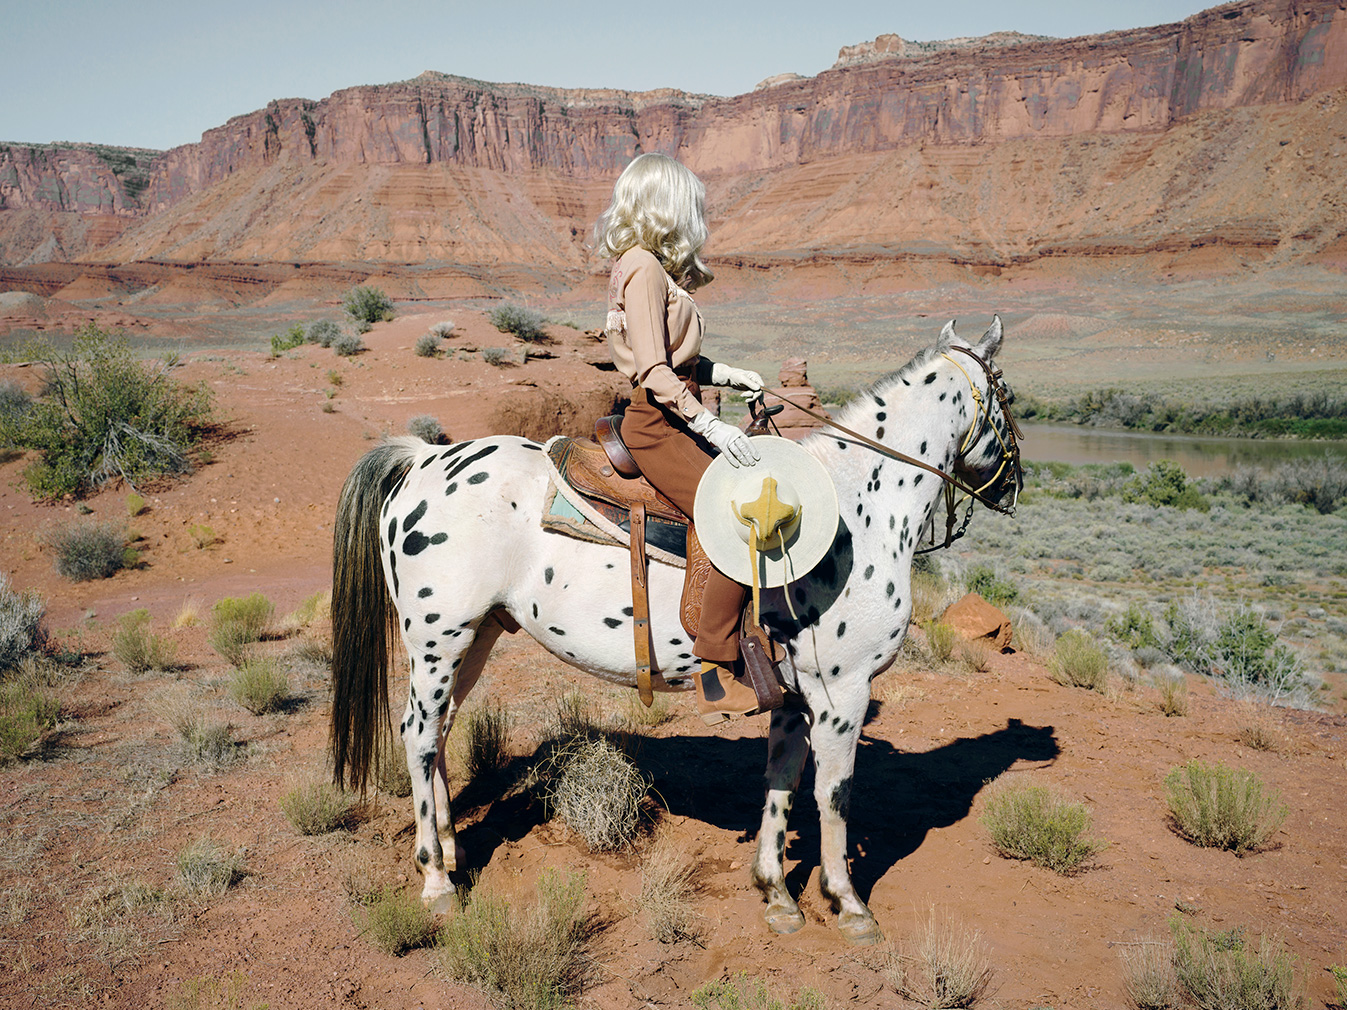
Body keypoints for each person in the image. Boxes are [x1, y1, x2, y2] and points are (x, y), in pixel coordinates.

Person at [594, 152, 765, 724]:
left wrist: (728, 374)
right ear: (666, 203)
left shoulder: (643, 265)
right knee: (733, 519)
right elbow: (653, 370)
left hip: (668, 411)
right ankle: (713, 670)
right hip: (655, 422)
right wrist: (709, 421)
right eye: (690, 203)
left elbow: (676, 359)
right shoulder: (643, 266)